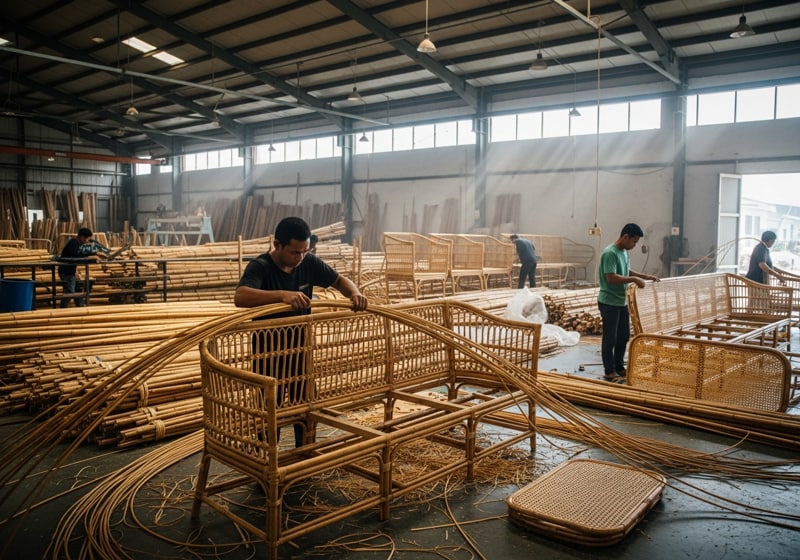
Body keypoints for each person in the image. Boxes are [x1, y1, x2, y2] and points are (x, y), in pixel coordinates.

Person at [234, 217, 368, 447]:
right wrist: (281, 295)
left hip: (300, 345)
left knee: (305, 401)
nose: (300, 257)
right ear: (277, 245)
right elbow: (241, 296)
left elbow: (339, 280)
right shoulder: (261, 266)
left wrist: (354, 293)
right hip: (269, 349)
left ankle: (304, 453)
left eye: (305, 251)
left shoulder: (308, 263)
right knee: (270, 405)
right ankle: (268, 457)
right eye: (295, 252)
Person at [597, 223, 659, 383]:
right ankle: (609, 370)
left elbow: (626, 271)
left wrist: (645, 277)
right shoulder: (610, 253)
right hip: (608, 301)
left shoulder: (624, 252)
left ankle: (618, 365)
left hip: (620, 301)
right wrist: (633, 280)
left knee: (623, 336)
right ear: (625, 237)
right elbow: (611, 277)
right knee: (610, 337)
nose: (634, 245)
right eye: (634, 241)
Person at [58, 227, 109, 308]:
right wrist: (95, 253)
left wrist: (94, 253)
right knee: (70, 291)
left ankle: (80, 307)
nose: (86, 241)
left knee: (77, 289)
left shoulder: (77, 243)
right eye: (86, 238)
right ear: (81, 236)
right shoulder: (73, 243)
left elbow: (81, 253)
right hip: (66, 271)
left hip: (71, 271)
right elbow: (78, 254)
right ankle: (62, 309)